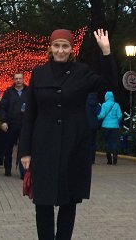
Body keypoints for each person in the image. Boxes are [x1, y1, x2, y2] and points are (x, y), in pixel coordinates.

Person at [19, 28, 117, 240]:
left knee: (69, 201)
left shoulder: (82, 72)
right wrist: (25, 151)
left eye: (65, 46)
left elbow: (108, 84)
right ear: (50, 48)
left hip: (74, 144)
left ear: (72, 49)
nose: (61, 50)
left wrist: (106, 52)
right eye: (57, 46)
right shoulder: (38, 73)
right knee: (43, 201)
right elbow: (30, 115)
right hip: (44, 145)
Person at [0, 72, 29, 177]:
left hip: (25, 124)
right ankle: (7, 169)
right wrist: (3, 121)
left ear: (23, 79)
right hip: (11, 123)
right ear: (13, 80)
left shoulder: (29, 91)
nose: (18, 80)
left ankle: (23, 172)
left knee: (23, 148)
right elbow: (3, 107)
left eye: (20, 78)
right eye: (16, 78)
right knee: (8, 147)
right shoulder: (8, 92)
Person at [98, 91, 123, 165]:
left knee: (107, 142)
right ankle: (115, 157)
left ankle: (109, 160)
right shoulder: (116, 105)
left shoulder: (104, 105)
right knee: (114, 142)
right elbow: (120, 116)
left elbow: (102, 115)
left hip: (105, 126)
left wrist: (96, 117)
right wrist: (117, 122)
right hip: (115, 127)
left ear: (106, 97)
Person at [85, 92, 101, 164]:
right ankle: (92, 159)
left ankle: (87, 158)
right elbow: (100, 114)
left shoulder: (85, 104)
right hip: (94, 125)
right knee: (93, 142)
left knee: (87, 142)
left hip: (86, 125)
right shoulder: (97, 104)